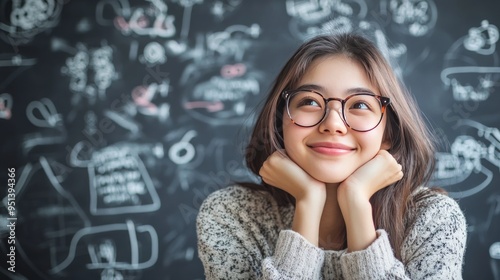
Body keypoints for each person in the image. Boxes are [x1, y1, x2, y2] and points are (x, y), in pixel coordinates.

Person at [196, 32, 467, 279]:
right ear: (281, 122)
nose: (333, 124)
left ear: (388, 133)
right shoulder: (233, 215)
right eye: (310, 102)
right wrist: (308, 202)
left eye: (360, 104)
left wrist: (356, 202)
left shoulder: (433, 219)